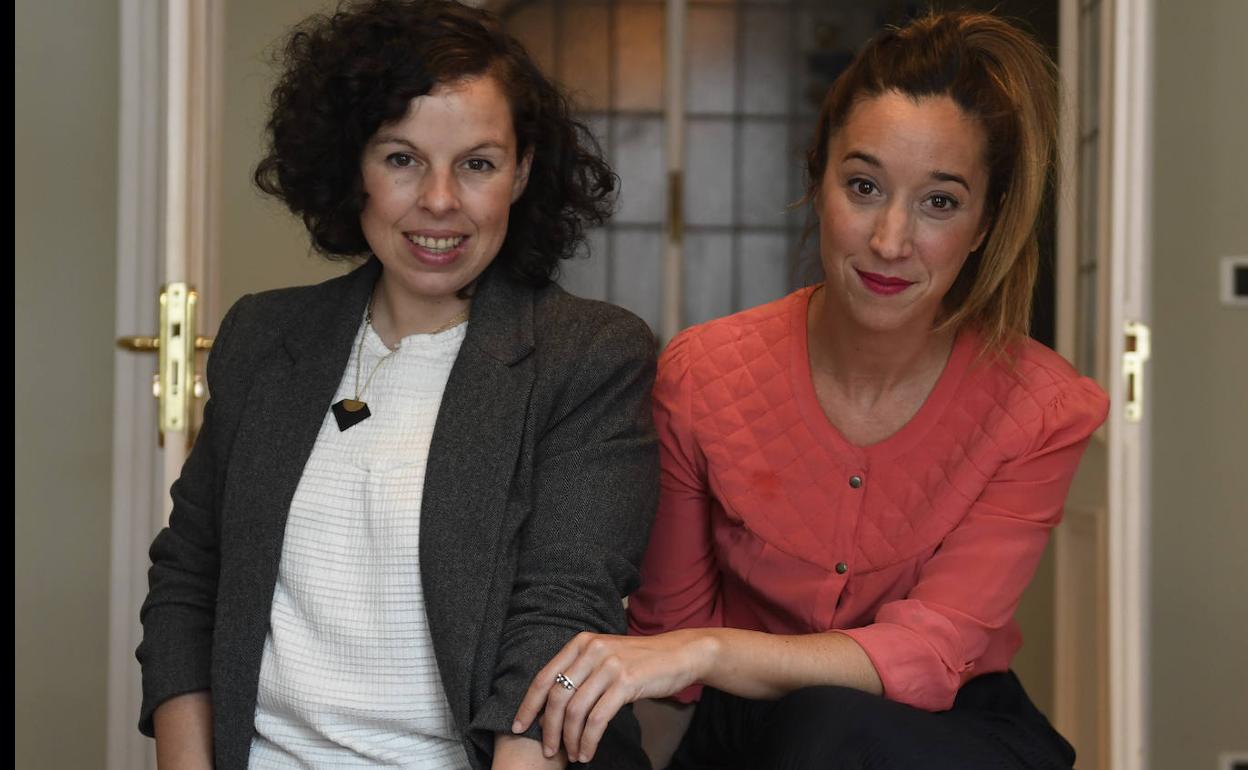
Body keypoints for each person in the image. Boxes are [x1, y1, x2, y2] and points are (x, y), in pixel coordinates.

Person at [513, 11, 1109, 769]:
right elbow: (669, 643)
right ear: (816, 181)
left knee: (829, 725)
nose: (890, 240)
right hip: (740, 726)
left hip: (943, 733)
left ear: (985, 223)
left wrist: (704, 650)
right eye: (863, 186)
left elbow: (929, 653)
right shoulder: (703, 376)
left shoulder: (1039, 407)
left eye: (940, 202)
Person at [135, 2, 656, 768]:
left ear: (521, 173)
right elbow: (189, 578)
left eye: (477, 164)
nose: (439, 200)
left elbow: (562, 623)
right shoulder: (264, 336)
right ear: (355, 167)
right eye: (403, 159)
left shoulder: (587, 355)